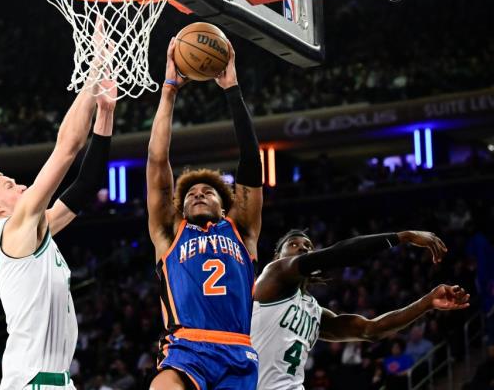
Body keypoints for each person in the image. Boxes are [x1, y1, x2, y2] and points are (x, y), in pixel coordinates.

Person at [0, 46, 117, 389]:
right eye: (9, 185)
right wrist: (95, 67)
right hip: (34, 382)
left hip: (55, 380)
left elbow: (86, 185)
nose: (20, 185)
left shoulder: (35, 230)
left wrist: (106, 115)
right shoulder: (14, 229)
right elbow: (67, 146)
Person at [147, 38, 262, 390]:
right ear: (180, 207)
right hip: (186, 346)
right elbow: (156, 162)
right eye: (191, 194)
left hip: (237, 351)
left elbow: (251, 163)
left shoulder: (241, 230)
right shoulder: (169, 233)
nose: (197, 194)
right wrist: (168, 91)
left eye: (207, 192)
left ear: (224, 204)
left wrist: (232, 91)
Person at [252, 229, 470, 390]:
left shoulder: (313, 311)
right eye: (293, 244)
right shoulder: (274, 272)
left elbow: (370, 330)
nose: (302, 248)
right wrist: (403, 237)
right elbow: (341, 253)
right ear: (277, 256)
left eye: (308, 246)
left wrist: (428, 302)